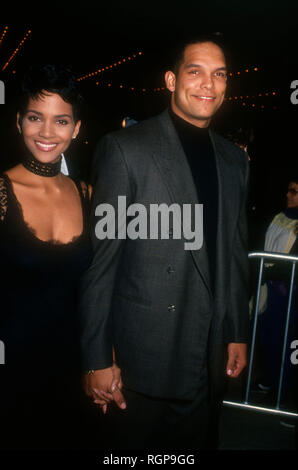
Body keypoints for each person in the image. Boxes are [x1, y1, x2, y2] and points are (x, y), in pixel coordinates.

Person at [80, 36, 249, 450]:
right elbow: (101, 264)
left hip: (206, 353)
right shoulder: (125, 150)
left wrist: (236, 331)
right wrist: (97, 358)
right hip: (143, 359)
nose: (208, 84)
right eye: (196, 72)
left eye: (219, 74)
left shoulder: (234, 160)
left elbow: (234, 253)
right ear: (172, 80)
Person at [0, 64, 94, 450]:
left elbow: (100, 286)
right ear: (19, 121)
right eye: (36, 118)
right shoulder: (2, 191)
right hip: (11, 371)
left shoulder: (88, 194)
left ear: (76, 129)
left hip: (71, 369)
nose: (46, 132)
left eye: (61, 121)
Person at [256, 178, 298, 415]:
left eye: (294, 191)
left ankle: (282, 390)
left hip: (289, 288)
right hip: (271, 283)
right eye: (288, 189)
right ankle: (270, 379)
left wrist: (268, 269)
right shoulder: (279, 216)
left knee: (286, 339)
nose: (288, 194)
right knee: (267, 334)